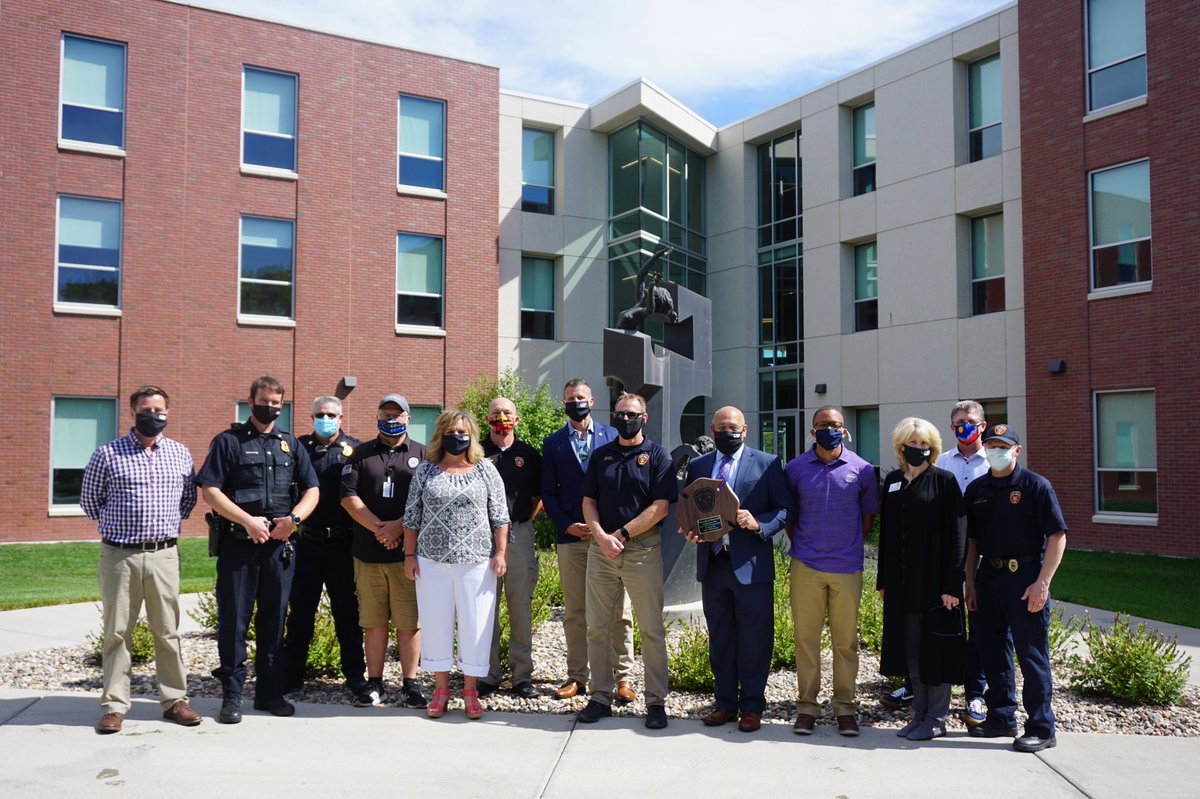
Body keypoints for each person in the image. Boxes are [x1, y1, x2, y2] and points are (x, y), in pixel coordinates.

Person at [197, 376, 319, 724]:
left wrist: (293, 520)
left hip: (278, 550)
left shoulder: (290, 445)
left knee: (273, 622)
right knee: (234, 621)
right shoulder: (228, 442)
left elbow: (313, 490)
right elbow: (210, 490)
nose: (271, 408)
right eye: (265, 401)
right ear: (251, 402)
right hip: (239, 547)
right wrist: (248, 521)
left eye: (277, 404)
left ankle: (269, 694)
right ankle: (232, 695)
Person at [81, 385, 202, 734]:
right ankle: (114, 706)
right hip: (120, 555)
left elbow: (187, 501)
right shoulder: (107, 454)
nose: (153, 416)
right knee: (117, 632)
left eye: (159, 410)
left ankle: (175, 701)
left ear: (168, 412)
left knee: (168, 631)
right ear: (134, 413)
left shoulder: (180, 453)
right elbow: (91, 501)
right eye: (146, 410)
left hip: (164, 554)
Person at [680, 406, 793, 733]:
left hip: (752, 567)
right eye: (720, 428)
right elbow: (690, 509)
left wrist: (759, 523)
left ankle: (752, 706)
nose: (726, 433)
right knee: (722, 638)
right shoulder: (699, 465)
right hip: (713, 564)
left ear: (744, 431)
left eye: (733, 428)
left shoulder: (767, 463)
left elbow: (786, 509)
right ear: (712, 432)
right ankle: (725, 703)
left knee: (755, 638)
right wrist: (690, 530)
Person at [576, 392, 677, 729]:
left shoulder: (658, 456)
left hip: (641, 551)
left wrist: (622, 534)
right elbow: (589, 500)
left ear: (643, 418)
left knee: (651, 628)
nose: (624, 419)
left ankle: (655, 702)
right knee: (597, 628)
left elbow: (661, 506)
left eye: (631, 414)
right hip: (601, 551)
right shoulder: (602, 455)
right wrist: (601, 535)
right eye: (619, 414)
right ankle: (600, 697)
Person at [965, 425, 1067, 753]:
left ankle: (1041, 726)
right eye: (991, 445)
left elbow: (1057, 536)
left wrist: (1043, 584)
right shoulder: (978, 489)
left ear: (1016, 451)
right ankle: (1001, 717)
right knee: (992, 650)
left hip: (1025, 579)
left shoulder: (1036, 486)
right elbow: (972, 542)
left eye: (1003, 446)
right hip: (989, 578)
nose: (996, 451)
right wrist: (970, 582)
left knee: (1031, 654)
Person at [403, 409, 510, 720]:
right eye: (451, 432)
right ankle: (440, 691)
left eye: (463, 432)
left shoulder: (485, 470)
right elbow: (411, 518)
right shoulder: (425, 471)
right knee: (435, 624)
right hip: (431, 561)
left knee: (476, 625)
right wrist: (409, 556)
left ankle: (470, 691)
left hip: (477, 562)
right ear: (441, 435)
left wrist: (501, 553)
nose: (457, 437)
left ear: (472, 436)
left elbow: (500, 516)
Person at [784, 405, 879, 737]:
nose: (830, 429)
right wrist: (808, 545)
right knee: (806, 639)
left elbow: (867, 519)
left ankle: (844, 708)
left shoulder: (863, 470)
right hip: (806, 566)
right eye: (823, 424)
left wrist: (846, 543)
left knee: (845, 642)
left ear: (845, 430)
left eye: (836, 424)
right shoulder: (795, 469)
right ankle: (807, 707)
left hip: (846, 567)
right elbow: (790, 518)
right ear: (812, 431)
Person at [540, 379, 636, 703]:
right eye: (570, 398)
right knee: (575, 611)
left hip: (607, 538)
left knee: (618, 610)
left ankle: (622, 677)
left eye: (580, 397)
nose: (576, 402)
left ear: (592, 400)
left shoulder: (612, 436)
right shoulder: (552, 444)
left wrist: (606, 531)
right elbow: (548, 493)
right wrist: (567, 525)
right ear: (564, 402)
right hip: (572, 539)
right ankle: (577, 676)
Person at [877, 417, 966, 741]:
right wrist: (883, 581)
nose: (919, 449)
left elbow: (958, 538)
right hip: (902, 586)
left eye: (925, 444)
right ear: (901, 447)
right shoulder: (893, 483)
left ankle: (937, 718)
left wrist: (952, 586)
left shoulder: (944, 481)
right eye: (913, 444)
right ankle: (919, 715)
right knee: (911, 651)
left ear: (933, 447)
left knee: (936, 652)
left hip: (936, 586)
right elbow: (885, 535)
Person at [340, 395, 426, 708]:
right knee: (374, 621)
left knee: (408, 621)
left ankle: (410, 684)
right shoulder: (360, 453)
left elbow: (426, 500)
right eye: (386, 413)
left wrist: (398, 528)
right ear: (377, 415)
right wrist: (381, 528)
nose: (391, 418)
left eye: (397, 414)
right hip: (368, 553)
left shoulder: (423, 454)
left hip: (408, 555)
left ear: (408, 417)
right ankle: (374, 683)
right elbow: (348, 497)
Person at [934, 400, 1014, 726]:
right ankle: (925, 687)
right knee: (942, 623)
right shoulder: (940, 463)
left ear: (983, 425)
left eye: (969, 421)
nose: (962, 426)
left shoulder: (995, 462)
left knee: (980, 629)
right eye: (957, 422)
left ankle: (975, 693)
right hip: (946, 559)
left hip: (985, 560)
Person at [283, 396, 366, 699]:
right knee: (300, 613)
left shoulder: (355, 450)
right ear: (312, 416)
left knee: (347, 613)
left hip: (343, 544)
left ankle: (355, 676)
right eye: (320, 414)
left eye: (331, 414)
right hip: (307, 543)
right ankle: (291, 676)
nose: (325, 418)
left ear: (341, 418)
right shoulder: (298, 448)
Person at [478, 396, 543, 699]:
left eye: (507, 413)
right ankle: (488, 674)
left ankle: (521, 676)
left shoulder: (529, 455)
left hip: (519, 535)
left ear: (516, 419)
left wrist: (523, 521)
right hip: (482, 539)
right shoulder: (475, 453)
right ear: (487, 418)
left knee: (519, 607)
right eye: (495, 413)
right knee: (485, 607)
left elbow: (540, 497)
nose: (501, 417)